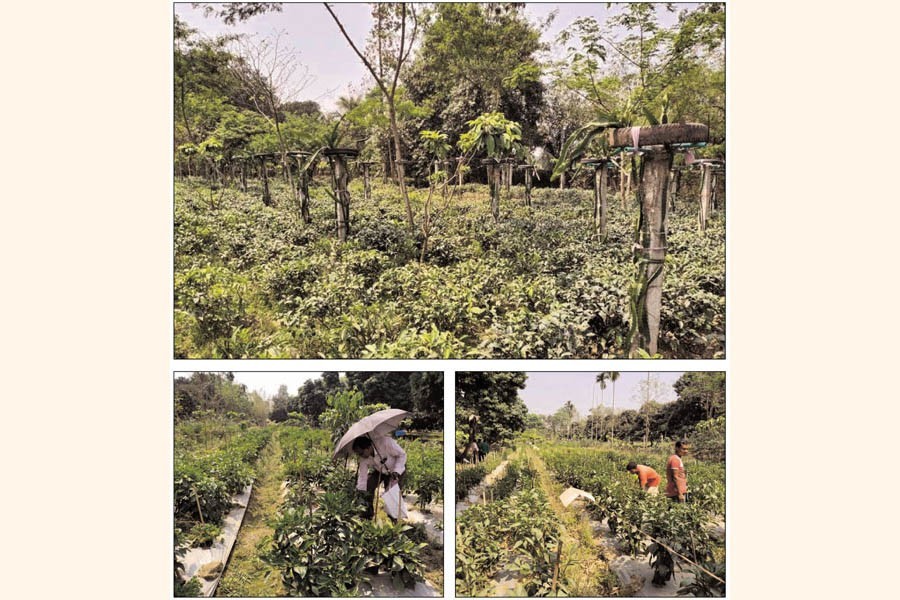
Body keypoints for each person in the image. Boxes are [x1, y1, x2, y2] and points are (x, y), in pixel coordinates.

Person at [351, 435, 407, 519]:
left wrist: (396, 471)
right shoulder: (363, 458)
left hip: (395, 470)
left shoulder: (386, 442)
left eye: (361, 453)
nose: (360, 456)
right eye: (358, 454)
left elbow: (402, 455)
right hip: (379, 470)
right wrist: (361, 491)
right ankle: (367, 514)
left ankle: (394, 519)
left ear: (368, 447)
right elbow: (363, 476)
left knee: (391, 494)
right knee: (368, 486)